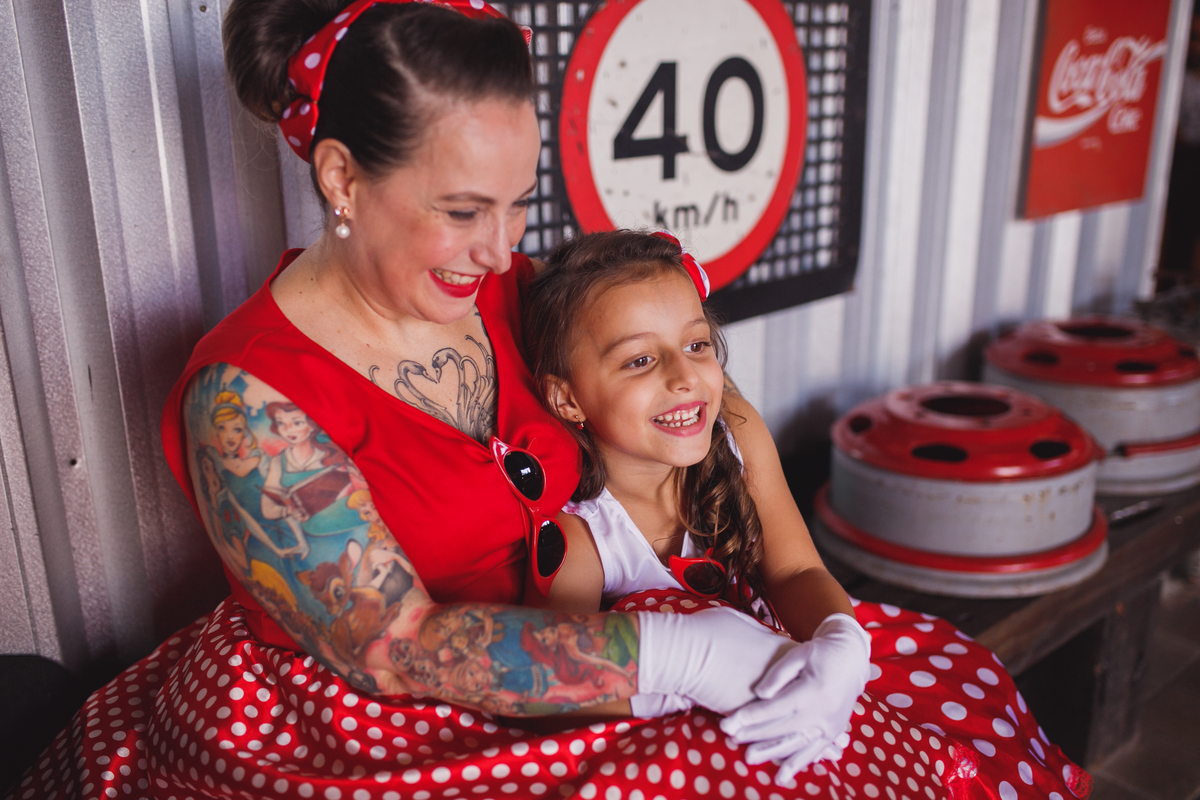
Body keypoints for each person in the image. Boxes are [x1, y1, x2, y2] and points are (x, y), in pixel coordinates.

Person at [10, 2, 1091, 800]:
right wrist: (684, 656)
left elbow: (708, 410)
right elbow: (392, 648)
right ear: (341, 177)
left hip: (611, 636)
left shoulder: (517, 292)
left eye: (518, 201)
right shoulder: (247, 398)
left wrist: (829, 630)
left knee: (930, 696)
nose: (501, 246)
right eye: (461, 210)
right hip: (380, 720)